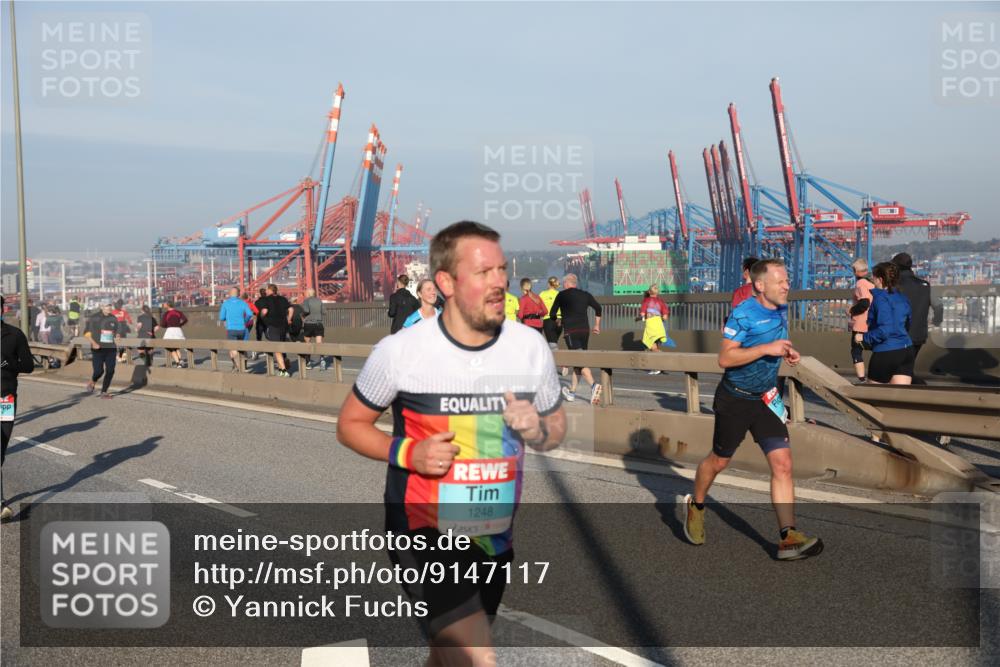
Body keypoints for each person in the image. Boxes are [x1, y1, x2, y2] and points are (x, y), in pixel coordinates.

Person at [337, 220, 566, 665]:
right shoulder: (400, 351)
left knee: (448, 652)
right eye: (483, 273)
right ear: (445, 282)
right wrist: (409, 452)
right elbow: (350, 424)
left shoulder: (530, 346)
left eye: (500, 270)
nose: (498, 282)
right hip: (423, 530)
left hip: (492, 534)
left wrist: (537, 428)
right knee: (474, 655)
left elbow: (554, 428)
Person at [684, 259, 823, 561]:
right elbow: (724, 359)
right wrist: (765, 349)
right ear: (760, 286)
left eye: (787, 280)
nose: (787, 285)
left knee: (783, 464)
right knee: (718, 461)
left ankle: (788, 537)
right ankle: (696, 505)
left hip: (766, 399)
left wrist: (787, 350)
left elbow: (776, 341)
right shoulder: (743, 313)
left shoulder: (782, 308)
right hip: (735, 399)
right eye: (781, 281)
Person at [1, 295, 34, 521]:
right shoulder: (14, 333)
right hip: (6, 396)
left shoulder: (14, 335)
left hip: (5, 399)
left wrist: (7, 363)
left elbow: (28, 366)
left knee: (0, 447)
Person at [550, 273, 603, 404]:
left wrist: (558, 320)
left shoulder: (561, 295)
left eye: (563, 283)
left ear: (567, 283)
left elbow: (552, 313)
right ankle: (572, 391)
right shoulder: (585, 294)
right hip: (585, 331)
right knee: (578, 361)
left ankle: (593, 385)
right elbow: (598, 308)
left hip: (571, 331)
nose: (562, 285)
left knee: (579, 360)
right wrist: (596, 325)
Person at [891, 253, 942, 385]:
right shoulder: (925, 285)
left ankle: (910, 392)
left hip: (897, 334)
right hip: (918, 334)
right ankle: (916, 387)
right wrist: (937, 321)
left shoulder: (893, 286)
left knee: (898, 368)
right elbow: (939, 306)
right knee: (907, 366)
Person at [862, 262, 914, 385]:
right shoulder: (902, 297)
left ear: (880, 279)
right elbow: (908, 323)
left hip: (887, 350)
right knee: (899, 397)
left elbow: (885, 330)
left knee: (873, 396)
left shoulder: (880, 298)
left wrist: (863, 337)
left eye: (873, 277)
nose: (872, 281)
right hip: (906, 349)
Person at [83, 302, 124, 399]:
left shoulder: (113, 318)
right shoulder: (94, 318)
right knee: (99, 371)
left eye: (110, 306)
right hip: (98, 348)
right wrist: (93, 343)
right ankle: (93, 380)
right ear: (101, 307)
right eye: (107, 306)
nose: (109, 308)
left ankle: (104, 392)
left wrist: (118, 335)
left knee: (110, 370)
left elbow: (118, 330)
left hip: (110, 348)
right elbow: (86, 333)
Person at [847, 259, 874, 384]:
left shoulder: (860, 284)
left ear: (855, 271)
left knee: (856, 351)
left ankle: (862, 379)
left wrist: (852, 310)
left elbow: (864, 303)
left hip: (861, 324)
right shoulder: (871, 283)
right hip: (872, 322)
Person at [637, 284, 675, 374]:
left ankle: (662, 363)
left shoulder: (646, 301)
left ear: (649, 292)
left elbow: (642, 314)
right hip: (660, 326)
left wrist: (639, 318)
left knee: (652, 347)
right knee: (656, 346)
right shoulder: (661, 302)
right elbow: (665, 317)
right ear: (657, 292)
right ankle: (656, 367)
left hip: (651, 326)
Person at [259, 284, 292, 377]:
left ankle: (284, 371)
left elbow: (264, 311)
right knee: (281, 346)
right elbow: (291, 309)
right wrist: (289, 319)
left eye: (267, 290)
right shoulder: (283, 299)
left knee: (276, 348)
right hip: (283, 326)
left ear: (270, 290)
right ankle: (283, 366)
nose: (266, 291)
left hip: (273, 326)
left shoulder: (266, 299)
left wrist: (261, 316)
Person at [218, 287, 254, 373]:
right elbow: (250, 314)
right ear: (238, 294)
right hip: (243, 329)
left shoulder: (226, 304)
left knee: (233, 349)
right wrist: (244, 321)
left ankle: (238, 367)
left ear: (230, 294)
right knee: (242, 347)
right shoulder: (243, 303)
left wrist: (228, 318)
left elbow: (221, 317)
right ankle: (244, 366)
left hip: (231, 329)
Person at [300, 288, 326, 370]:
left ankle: (308, 363)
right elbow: (324, 312)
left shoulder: (306, 301)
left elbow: (306, 311)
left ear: (308, 294)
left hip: (309, 323)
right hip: (319, 323)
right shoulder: (319, 300)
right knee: (319, 343)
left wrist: (302, 315)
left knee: (307, 343)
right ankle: (322, 359)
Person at [160, 302, 189, 368]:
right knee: (176, 347)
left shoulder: (166, 313)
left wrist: (167, 326)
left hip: (170, 331)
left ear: (168, 305)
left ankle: (178, 363)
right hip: (178, 330)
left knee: (170, 347)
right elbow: (185, 320)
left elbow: (162, 324)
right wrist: (180, 325)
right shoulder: (178, 312)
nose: (164, 305)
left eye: (165, 304)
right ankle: (180, 360)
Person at [539, 276, 562, 349]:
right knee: (554, 342)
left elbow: (539, 307)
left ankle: (556, 359)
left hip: (548, 320)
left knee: (552, 345)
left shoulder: (543, 294)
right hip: (560, 321)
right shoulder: (560, 294)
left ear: (549, 284)